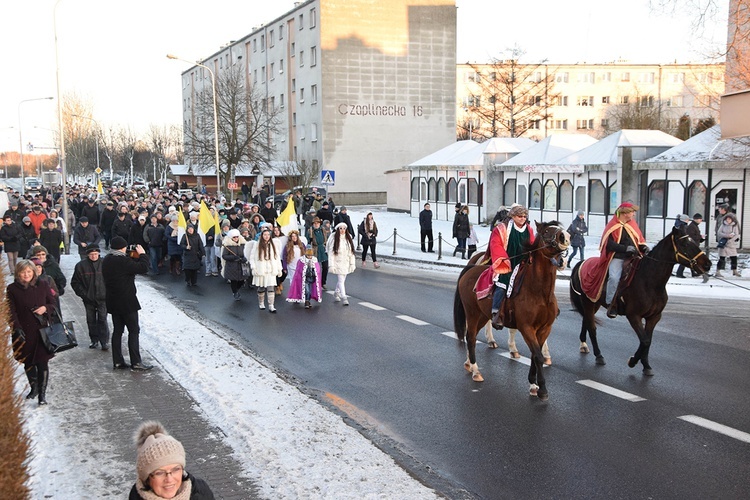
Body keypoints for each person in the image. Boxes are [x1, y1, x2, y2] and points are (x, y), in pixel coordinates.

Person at [7, 260, 57, 405]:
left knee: (42, 362)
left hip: (41, 330)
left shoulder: (42, 285)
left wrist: (45, 308)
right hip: (23, 330)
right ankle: (33, 387)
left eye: (29, 271)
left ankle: (42, 395)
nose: (26, 274)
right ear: (18, 273)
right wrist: (16, 328)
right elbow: (11, 311)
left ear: (34, 272)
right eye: (23, 272)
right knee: (28, 361)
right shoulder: (12, 289)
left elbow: (52, 303)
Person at [102, 236, 153, 371]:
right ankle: (136, 362)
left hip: (113, 301)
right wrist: (142, 254)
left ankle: (117, 361)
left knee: (118, 331)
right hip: (127, 302)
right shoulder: (123, 261)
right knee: (134, 331)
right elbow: (143, 268)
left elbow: (127, 268)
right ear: (122, 248)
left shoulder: (107, 260)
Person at [130, 421, 214, 499]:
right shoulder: (136, 496)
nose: (169, 479)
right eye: (159, 473)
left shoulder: (201, 492)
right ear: (147, 479)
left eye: (176, 469)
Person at [489, 205, 535, 329]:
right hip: (507, 262)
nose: (522, 219)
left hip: (523, 263)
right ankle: (496, 310)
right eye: (520, 216)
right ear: (513, 216)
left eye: (525, 216)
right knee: (503, 281)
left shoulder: (529, 229)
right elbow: (496, 244)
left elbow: (532, 244)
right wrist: (504, 259)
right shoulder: (502, 228)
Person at [599, 202, 648, 318]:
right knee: (614, 278)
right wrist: (625, 248)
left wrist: (644, 247)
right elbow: (609, 245)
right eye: (632, 212)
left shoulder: (632, 224)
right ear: (625, 213)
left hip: (633, 257)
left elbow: (639, 240)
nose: (634, 215)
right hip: (618, 257)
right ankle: (611, 303)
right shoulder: (612, 225)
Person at [71, 246, 109, 350]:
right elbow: (75, 282)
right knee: (91, 320)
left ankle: (104, 341)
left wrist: (108, 293)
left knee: (102, 319)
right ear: (88, 255)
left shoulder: (105, 264)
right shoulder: (81, 266)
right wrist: (84, 294)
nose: (94, 256)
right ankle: (94, 340)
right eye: (91, 254)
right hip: (89, 298)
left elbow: (111, 279)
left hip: (103, 298)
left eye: (96, 254)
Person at [249, 226, 283, 312]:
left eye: (268, 234)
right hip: (261, 269)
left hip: (271, 270)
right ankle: (261, 303)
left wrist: (279, 268)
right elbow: (252, 257)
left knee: (271, 288)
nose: (267, 236)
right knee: (261, 288)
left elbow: (277, 257)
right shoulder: (257, 245)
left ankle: (271, 305)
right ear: (262, 235)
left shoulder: (273, 245)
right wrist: (253, 267)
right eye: (265, 235)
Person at [327, 222, 357, 306]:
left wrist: (352, 264)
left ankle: (336, 292)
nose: (342, 230)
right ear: (338, 229)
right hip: (338, 262)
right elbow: (331, 253)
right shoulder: (334, 239)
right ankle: (344, 297)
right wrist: (331, 265)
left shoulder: (348, 239)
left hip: (346, 262)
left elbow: (351, 253)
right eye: (341, 228)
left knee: (343, 279)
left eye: (344, 228)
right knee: (341, 280)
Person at [221, 228, 248, 301]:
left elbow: (247, 253)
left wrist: (245, 258)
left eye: (237, 237)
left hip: (242, 265)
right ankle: (235, 292)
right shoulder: (228, 245)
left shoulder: (243, 244)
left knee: (242, 280)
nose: (236, 238)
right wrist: (233, 257)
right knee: (234, 280)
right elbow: (224, 256)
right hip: (232, 266)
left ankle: (237, 289)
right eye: (234, 237)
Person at [676, 214, 705, 278]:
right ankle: (679, 272)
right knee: (687, 259)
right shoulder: (689, 226)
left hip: (692, 244)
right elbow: (690, 236)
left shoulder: (691, 226)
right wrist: (700, 237)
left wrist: (700, 238)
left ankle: (692, 272)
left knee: (691, 259)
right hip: (690, 245)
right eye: (700, 219)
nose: (701, 220)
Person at [715, 213, 741, 278]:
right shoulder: (723, 225)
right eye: (727, 219)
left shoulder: (734, 225)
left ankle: (734, 270)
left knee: (734, 257)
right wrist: (726, 236)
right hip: (723, 243)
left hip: (731, 244)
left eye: (729, 219)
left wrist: (730, 240)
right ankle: (718, 271)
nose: (728, 220)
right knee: (722, 258)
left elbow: (736, 234)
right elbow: (719, 232)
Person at [307, 217, 330, 289]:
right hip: (315, 250)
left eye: (318, 223)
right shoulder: (310, 231)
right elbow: (308, 242)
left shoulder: (323, 230)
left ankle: (323, 282)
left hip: (323, 249)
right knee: (316, 268)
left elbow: (327, 239)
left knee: (325, 267)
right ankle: (315, 282)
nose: (316, 224)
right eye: (315, 223)